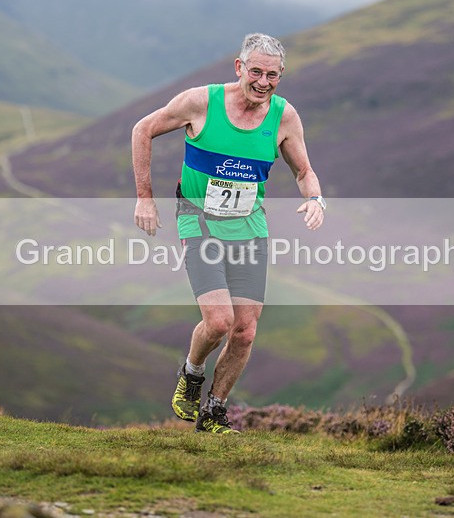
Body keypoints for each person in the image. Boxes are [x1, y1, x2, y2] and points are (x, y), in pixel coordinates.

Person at [132, 33, 326, 433]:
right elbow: (142, 130)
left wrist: (316, 198)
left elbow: (304, 171)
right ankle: (191, 372)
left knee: (245, 331)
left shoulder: (284, 117)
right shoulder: (201, 102)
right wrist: (144, 198)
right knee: (219, 322)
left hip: (249, 227)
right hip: (198, 220)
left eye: (272, 75)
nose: (263, 82)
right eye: (255, 71)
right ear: (239, 68)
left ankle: (215, 412)